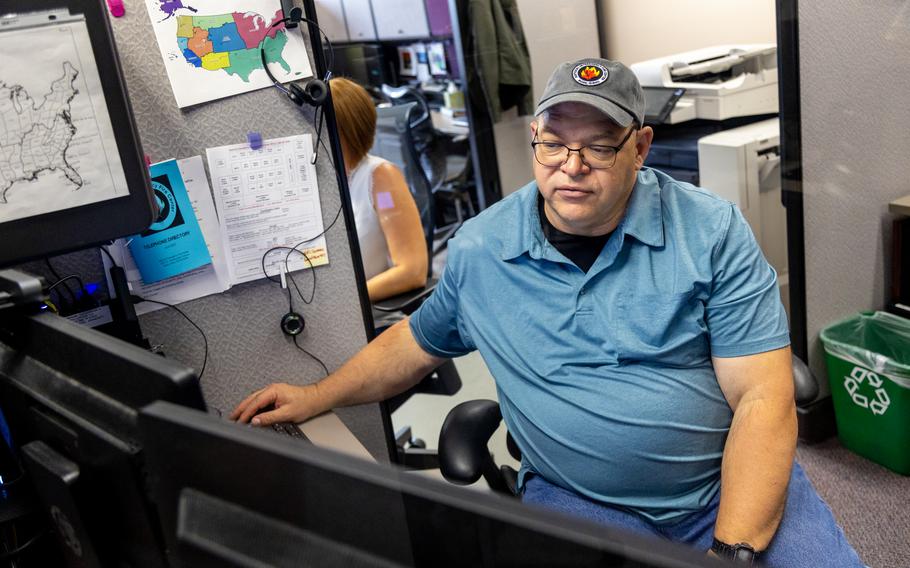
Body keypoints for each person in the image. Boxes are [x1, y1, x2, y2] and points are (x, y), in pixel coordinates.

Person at [233, 59, 863, 566]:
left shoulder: (711, 230)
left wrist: (730, 554)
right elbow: (414, 345)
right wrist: (318, 394)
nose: (572, 167)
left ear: (640, 148)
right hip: (582, 502)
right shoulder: (481, 250)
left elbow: (762, 399)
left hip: (723, 484)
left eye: (599, 147)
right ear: (534, 141)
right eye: (554, 144)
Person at [330, 77, 428, 302]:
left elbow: (412, 271)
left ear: (346, 131)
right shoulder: (325, 183)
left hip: (371, 313)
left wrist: (348, 303)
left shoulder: (381, 179)